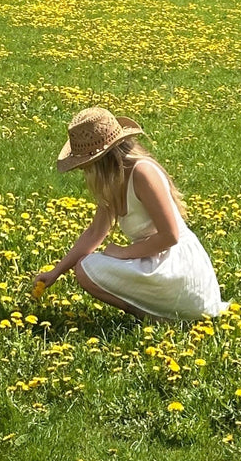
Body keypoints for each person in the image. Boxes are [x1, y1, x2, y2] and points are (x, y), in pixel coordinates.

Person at [34, 107, 229, 320]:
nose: (82, 169)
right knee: (84, 269)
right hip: (153, 264)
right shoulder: (112, 181)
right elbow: (94, 233)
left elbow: (170, 236)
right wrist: (56, 272)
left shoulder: (142, 173)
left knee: (86, 267)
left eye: (84, 163)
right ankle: (147, 314)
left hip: (180, 271)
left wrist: (124, 253)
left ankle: (153, 315)